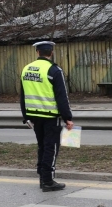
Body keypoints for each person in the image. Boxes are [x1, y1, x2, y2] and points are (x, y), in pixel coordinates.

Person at [20, 41, 74, 192]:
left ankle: (42, 177)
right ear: (51, 53)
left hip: (34, 116)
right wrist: (67, 118)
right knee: (51, 147)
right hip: (50, 117)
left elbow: (23, 96)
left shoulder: (26, 69)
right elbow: (62, 97)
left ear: (37, 52)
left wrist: (26, 116)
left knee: (42, 146)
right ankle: (48, 181)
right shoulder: (54, 70)